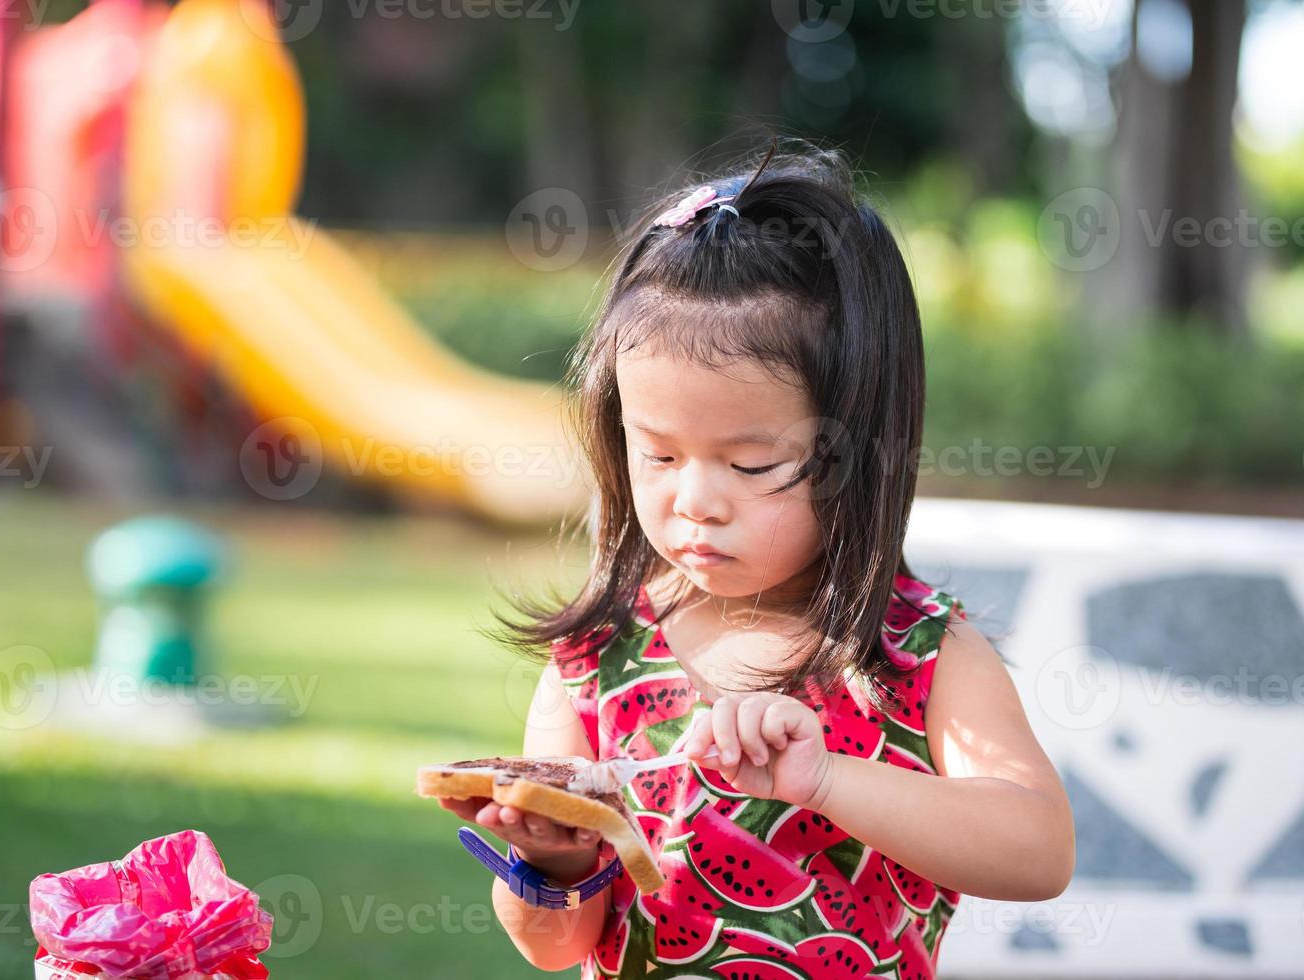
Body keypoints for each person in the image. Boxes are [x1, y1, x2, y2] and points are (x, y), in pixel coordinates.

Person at [436, 137, 1075, 978]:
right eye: (658, 455)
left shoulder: (919, 656)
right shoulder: (596, 659)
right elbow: (556, 949)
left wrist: (824, 782)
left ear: (854, 452)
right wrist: (551, 863)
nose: (695, 499)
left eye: (750, 466)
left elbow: (1039, 852)